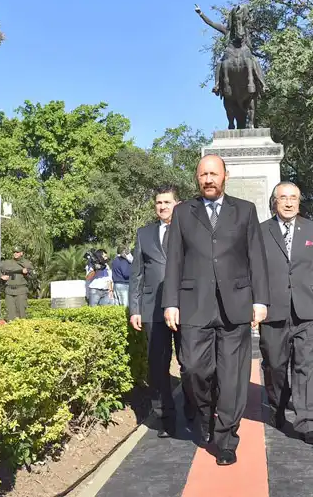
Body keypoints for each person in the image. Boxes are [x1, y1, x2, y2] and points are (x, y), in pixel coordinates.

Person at [162, 155, 269, 467]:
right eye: (203, 174)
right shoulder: (183, 212)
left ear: (225, 176)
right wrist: (171, 302)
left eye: (214, 174)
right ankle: (205, 412)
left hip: (235, 305)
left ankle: (226, 439)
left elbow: (256, 257)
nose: (208, 179)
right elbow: (174, 259)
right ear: (197, 178)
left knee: (232, 378)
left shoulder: (245, 210)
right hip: (194, 305)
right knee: (193, 368)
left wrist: (260, 300)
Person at [259, 182, 313, 445]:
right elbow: (254, 272)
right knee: (275, 365)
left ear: (299, 201)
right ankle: (277, 405)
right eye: (283, 198)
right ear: (275, 202)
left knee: (307, 366)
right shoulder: (261, 231)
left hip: (308, 309)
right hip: (273, 311)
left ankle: (308, 422)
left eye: (293, 198)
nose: (289, 202)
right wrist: (255, 304)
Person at [128, 186, 195, 438]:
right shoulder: (144, 234)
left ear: (177, 204)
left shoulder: (191, 231)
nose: (163, 206)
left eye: (167, 202)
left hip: (186, 308)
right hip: (152, 310)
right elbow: (137, 274)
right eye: (159, 203)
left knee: (190, 364)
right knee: (157, 366)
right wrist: (135, 308)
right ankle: (166, 418)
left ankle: (193, 407)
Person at [0, 245, 33, 320]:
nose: (15, 253)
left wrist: (26, 273)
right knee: (10, 315)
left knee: (21, 314)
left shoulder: (27, 263)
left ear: (21, 253)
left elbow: (33, 276)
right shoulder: (7, 263)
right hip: (9, 291)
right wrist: (1, 276)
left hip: (21, 291)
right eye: (14, 252)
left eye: (17, 252)